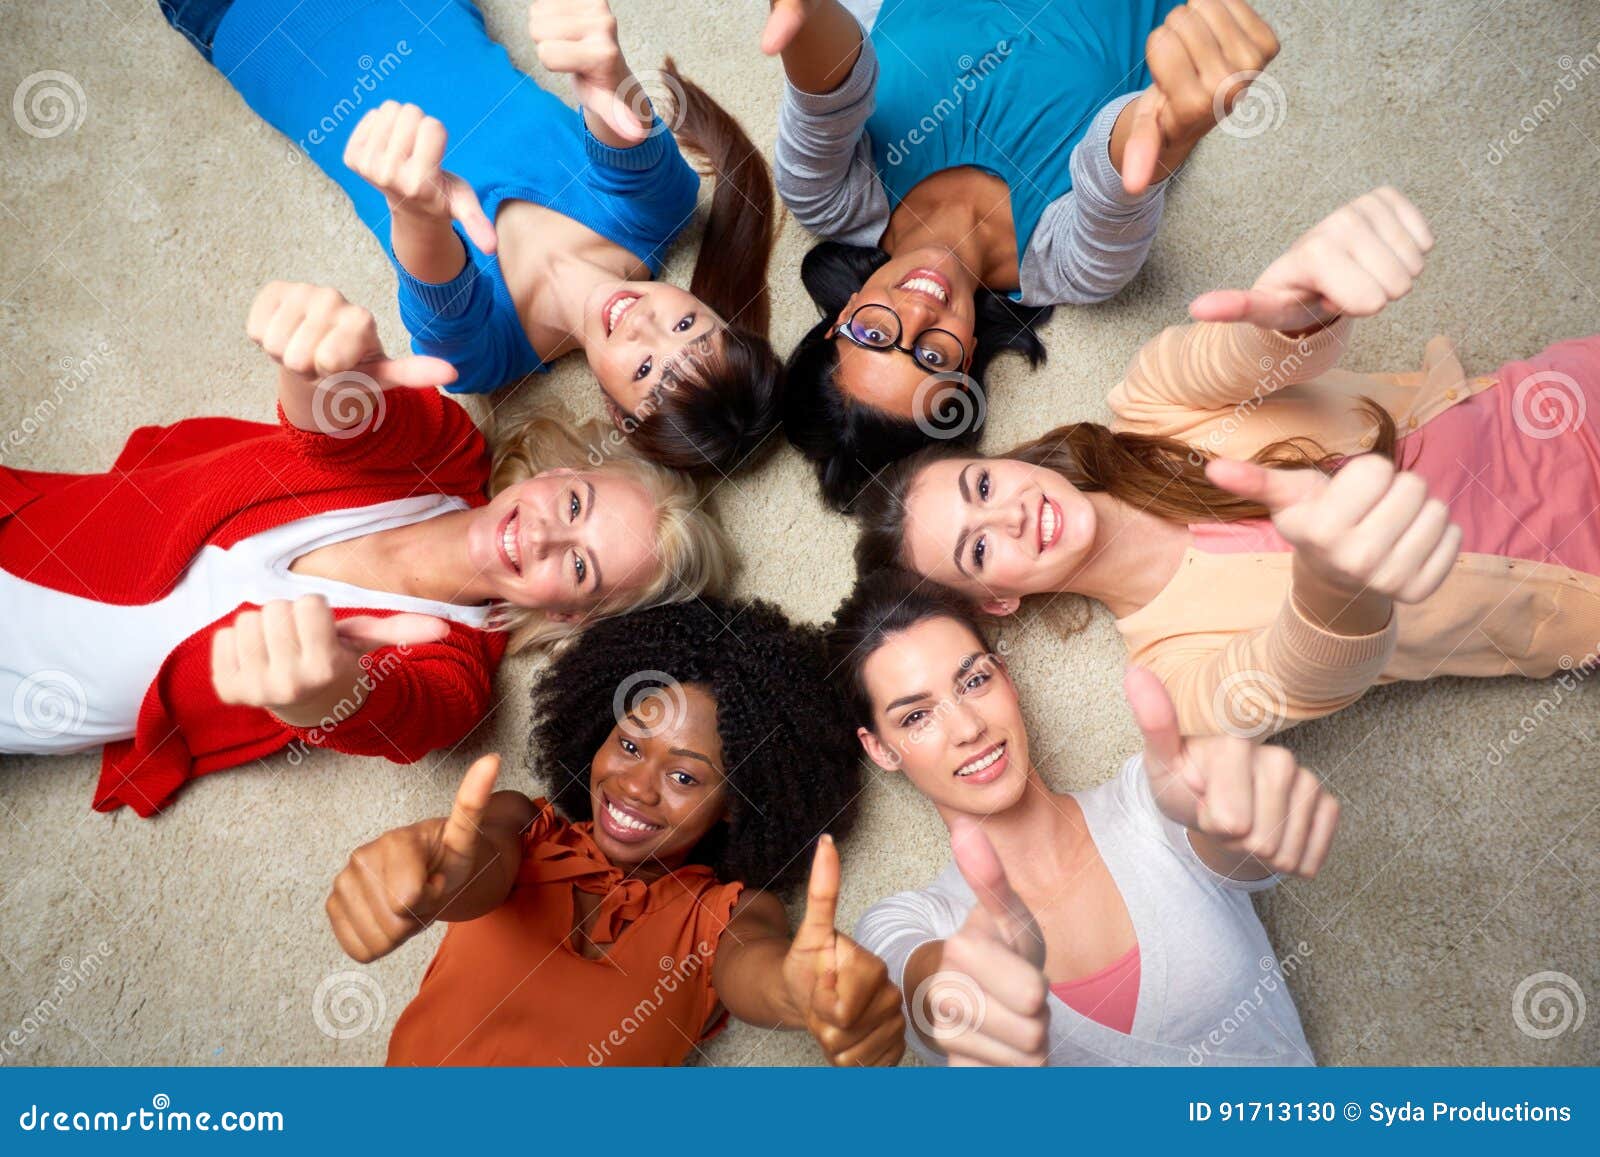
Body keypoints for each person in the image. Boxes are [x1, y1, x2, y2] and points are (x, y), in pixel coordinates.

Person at [853, 187, 1600, 736]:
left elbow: (1249, 353)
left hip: (1558, 399)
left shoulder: (1149, 400)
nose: (1009, 513)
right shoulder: (1173, 679)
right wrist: (1333, 580)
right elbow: (1302, 671)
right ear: (997, 601)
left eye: (982, 485)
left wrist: (1299, 303)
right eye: (978, 547)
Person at [0, 281, 730, 815]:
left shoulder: (453, 677)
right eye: (574, 504)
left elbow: (391, 711)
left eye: (578, 564)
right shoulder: (442, 447)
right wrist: (318, 360)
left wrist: (323, 690)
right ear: (561, 473)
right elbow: (333, 419)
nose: (542, 532)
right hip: (29, 528)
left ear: (572, 616)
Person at [159, 0, 782, 475]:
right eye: (687, 329)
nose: (645, 326)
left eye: (647, 369)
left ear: (616, 412)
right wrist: (605, 69)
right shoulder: (663, 208)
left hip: (248, 24)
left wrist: (418, 213)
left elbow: (436, 287)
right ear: (713, 311)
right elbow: (618, 125)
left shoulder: (483, 358)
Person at [327, 599, 906, 1067]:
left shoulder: (726, 914)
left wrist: (802, 992)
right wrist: (438, 877)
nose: (636, 787)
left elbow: (756, 968)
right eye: (629, 744)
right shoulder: (527, 827)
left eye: (684, 775)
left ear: (737, 803)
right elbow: (473, 865)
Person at [762, 0, 1281, 508]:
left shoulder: (828, 197)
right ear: (965, 359)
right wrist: (1170, 123)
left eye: (875, 335)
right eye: (931, 357)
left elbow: (828, 87)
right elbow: (1117, 172)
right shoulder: (1074, 267)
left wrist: (802, 9)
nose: (918, 313)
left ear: (843, 315)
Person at [830, 571, 1336, 1065]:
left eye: (975, 680)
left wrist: (1247, 819)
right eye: (916, 717)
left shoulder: (1149, 798)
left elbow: (1229, 843)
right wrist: (962, 988)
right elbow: (920, 991)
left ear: (1007, 678)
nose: (967, 727)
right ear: (881, 749)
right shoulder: (905, 922)